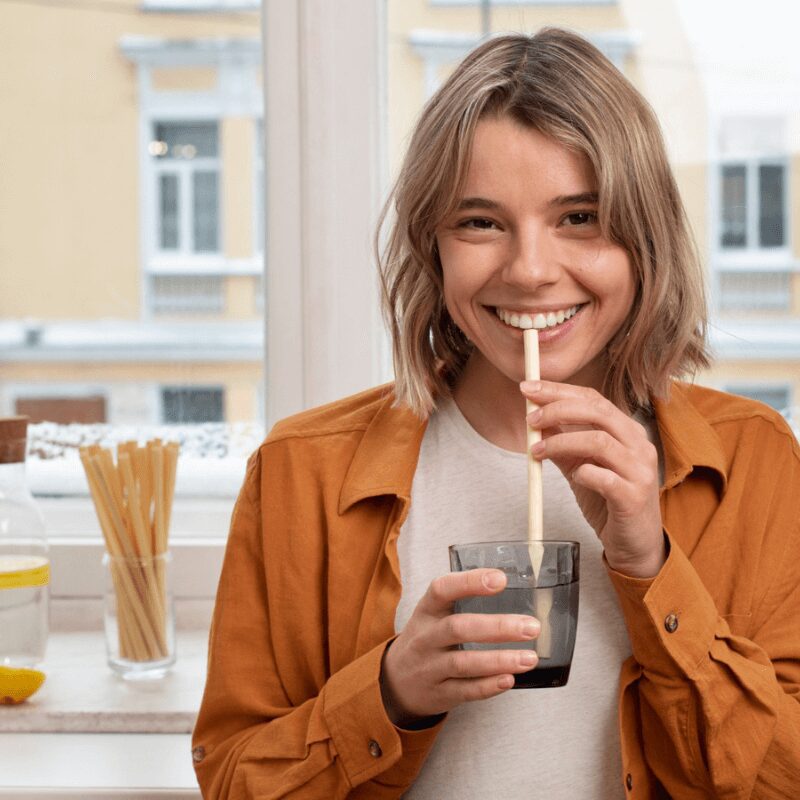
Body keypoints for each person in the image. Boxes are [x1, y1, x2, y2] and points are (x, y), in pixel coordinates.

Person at [192, 28, 800, 798]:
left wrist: (650, 566)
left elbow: (782, 778)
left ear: (644, 240)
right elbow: (233, 780)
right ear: (432, 244)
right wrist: (389, 694)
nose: (531, 270)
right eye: (480, 222)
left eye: (579, 216)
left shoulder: (754, 461)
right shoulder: (300, 473)